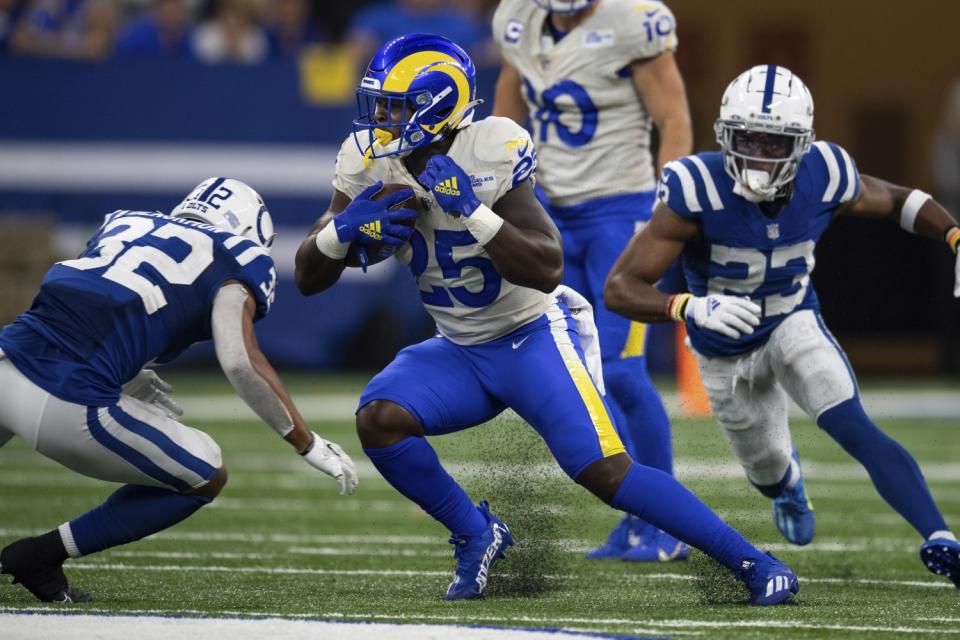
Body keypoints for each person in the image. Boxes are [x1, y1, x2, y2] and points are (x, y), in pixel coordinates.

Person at [296, 33, 798, 605]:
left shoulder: (492, 147)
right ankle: (476, 532)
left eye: (394, 106)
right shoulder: (365, 160)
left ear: (436, 104)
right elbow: (310, 278)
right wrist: (338, 231)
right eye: (379, 105)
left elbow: (546, 266)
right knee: (380, 418)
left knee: (604, 471)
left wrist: (471, 211)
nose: (380, 120)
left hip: (530, 337)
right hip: (458, 346)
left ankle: (754, 562)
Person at [604, 64, 960, 585]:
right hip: (721, 346)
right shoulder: (695, 187)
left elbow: (898, 199)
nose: (758, 154)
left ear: (802, 145)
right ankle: (787, 482)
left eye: (774, 143)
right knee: (766, 471)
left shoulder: (826, 174)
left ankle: (940, 538)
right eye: (747, 139)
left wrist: (954, 236)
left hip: (793, 318)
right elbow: (621, 286)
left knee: (850, 420)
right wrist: (687, 307)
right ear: (725, 135)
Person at [0, 178, 358, 604]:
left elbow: (85, 301)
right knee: (205, 473)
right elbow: (239, 358)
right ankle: (42, 555)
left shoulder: (124, 222)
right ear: (251, 231)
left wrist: (126, 370)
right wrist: (305, 441)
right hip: (66, 398)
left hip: (8, 355)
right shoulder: (238, 256)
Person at [491, 0, 693, 561]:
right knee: (587, 373)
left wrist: (665, 215)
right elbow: (506, 123)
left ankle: (670, 525)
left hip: (620, 216)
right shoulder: (516, 19)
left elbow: (673, 119)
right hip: (553, 215)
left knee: (623, 369)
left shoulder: (634, 20)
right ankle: (638, 518)